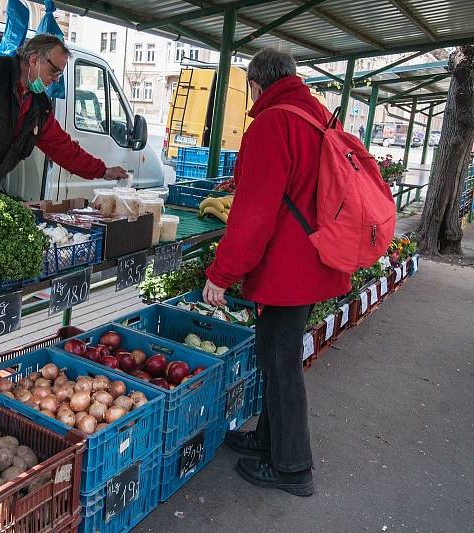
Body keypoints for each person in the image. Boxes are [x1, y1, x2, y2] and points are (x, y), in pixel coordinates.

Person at [202, 48, 351, 497]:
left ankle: (292, 467)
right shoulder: (316, 115)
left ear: (255, 85)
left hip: (289, 268)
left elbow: (254, 216)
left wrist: (221, 274)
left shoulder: (271, 122)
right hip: (316, 260)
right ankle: (268, 441)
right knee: (277, 357)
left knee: (282, 364)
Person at [0, 34, 129, 201]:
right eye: (54, 72)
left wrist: (103, 171)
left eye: (59, 75)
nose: (57, 80)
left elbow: (63, 147)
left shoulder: (39, 108)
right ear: (34, 60)